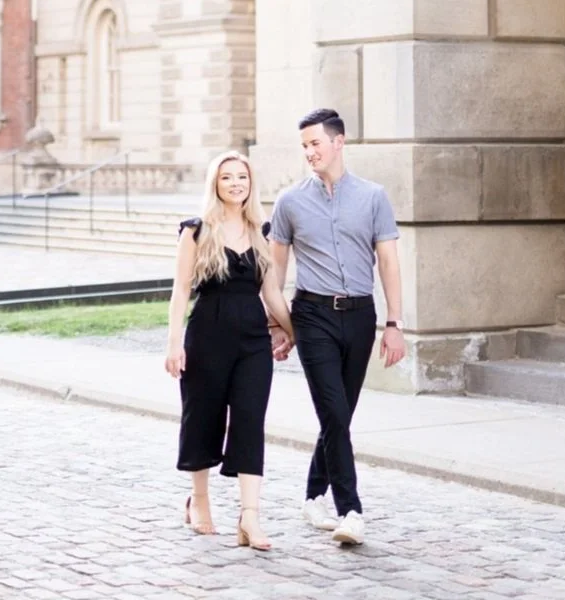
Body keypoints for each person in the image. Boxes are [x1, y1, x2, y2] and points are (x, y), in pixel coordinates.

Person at [268, 108, 406, 546]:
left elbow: (388, 262)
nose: (309, 152)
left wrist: (394, 323)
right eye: (304, 145)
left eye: (316, 143)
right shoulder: (289, 202)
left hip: (361, 316)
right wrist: (279, 325)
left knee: (339, 415)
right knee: (332, 410)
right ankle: (351, 510)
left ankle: (312, 496)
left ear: (339, 141)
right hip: (312, 316)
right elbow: (274, 269)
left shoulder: (373, 197)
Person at [164, 150, 294, 552]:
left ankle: (249, 516)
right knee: (203, 417)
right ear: (215, 184)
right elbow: (181, 290)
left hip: (252, 340)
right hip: (206, 336)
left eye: (242, 176)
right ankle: (198, 500)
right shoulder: (198, 231)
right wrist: (173, 344)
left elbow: (271, 292)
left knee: (250, 421)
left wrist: (293, 333)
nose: (236, 183)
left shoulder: (262, 232)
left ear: (250, 183)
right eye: (227, 177)